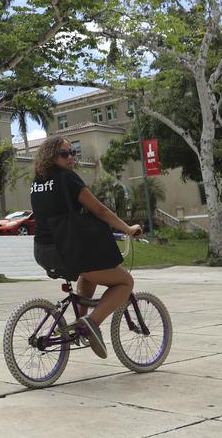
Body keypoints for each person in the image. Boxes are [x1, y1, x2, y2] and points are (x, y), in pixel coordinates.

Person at [30, 135, 143, 359]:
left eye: (73, 152)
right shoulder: (67, 177)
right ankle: (91, 322)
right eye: (64, 154)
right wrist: (128, 228)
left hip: (43, 251)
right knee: (125, 282)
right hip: (67, 250)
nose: (71, 157)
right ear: (51, 156)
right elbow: (99, 210)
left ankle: (80, 323)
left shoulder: (37, 181)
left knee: (89, 272)